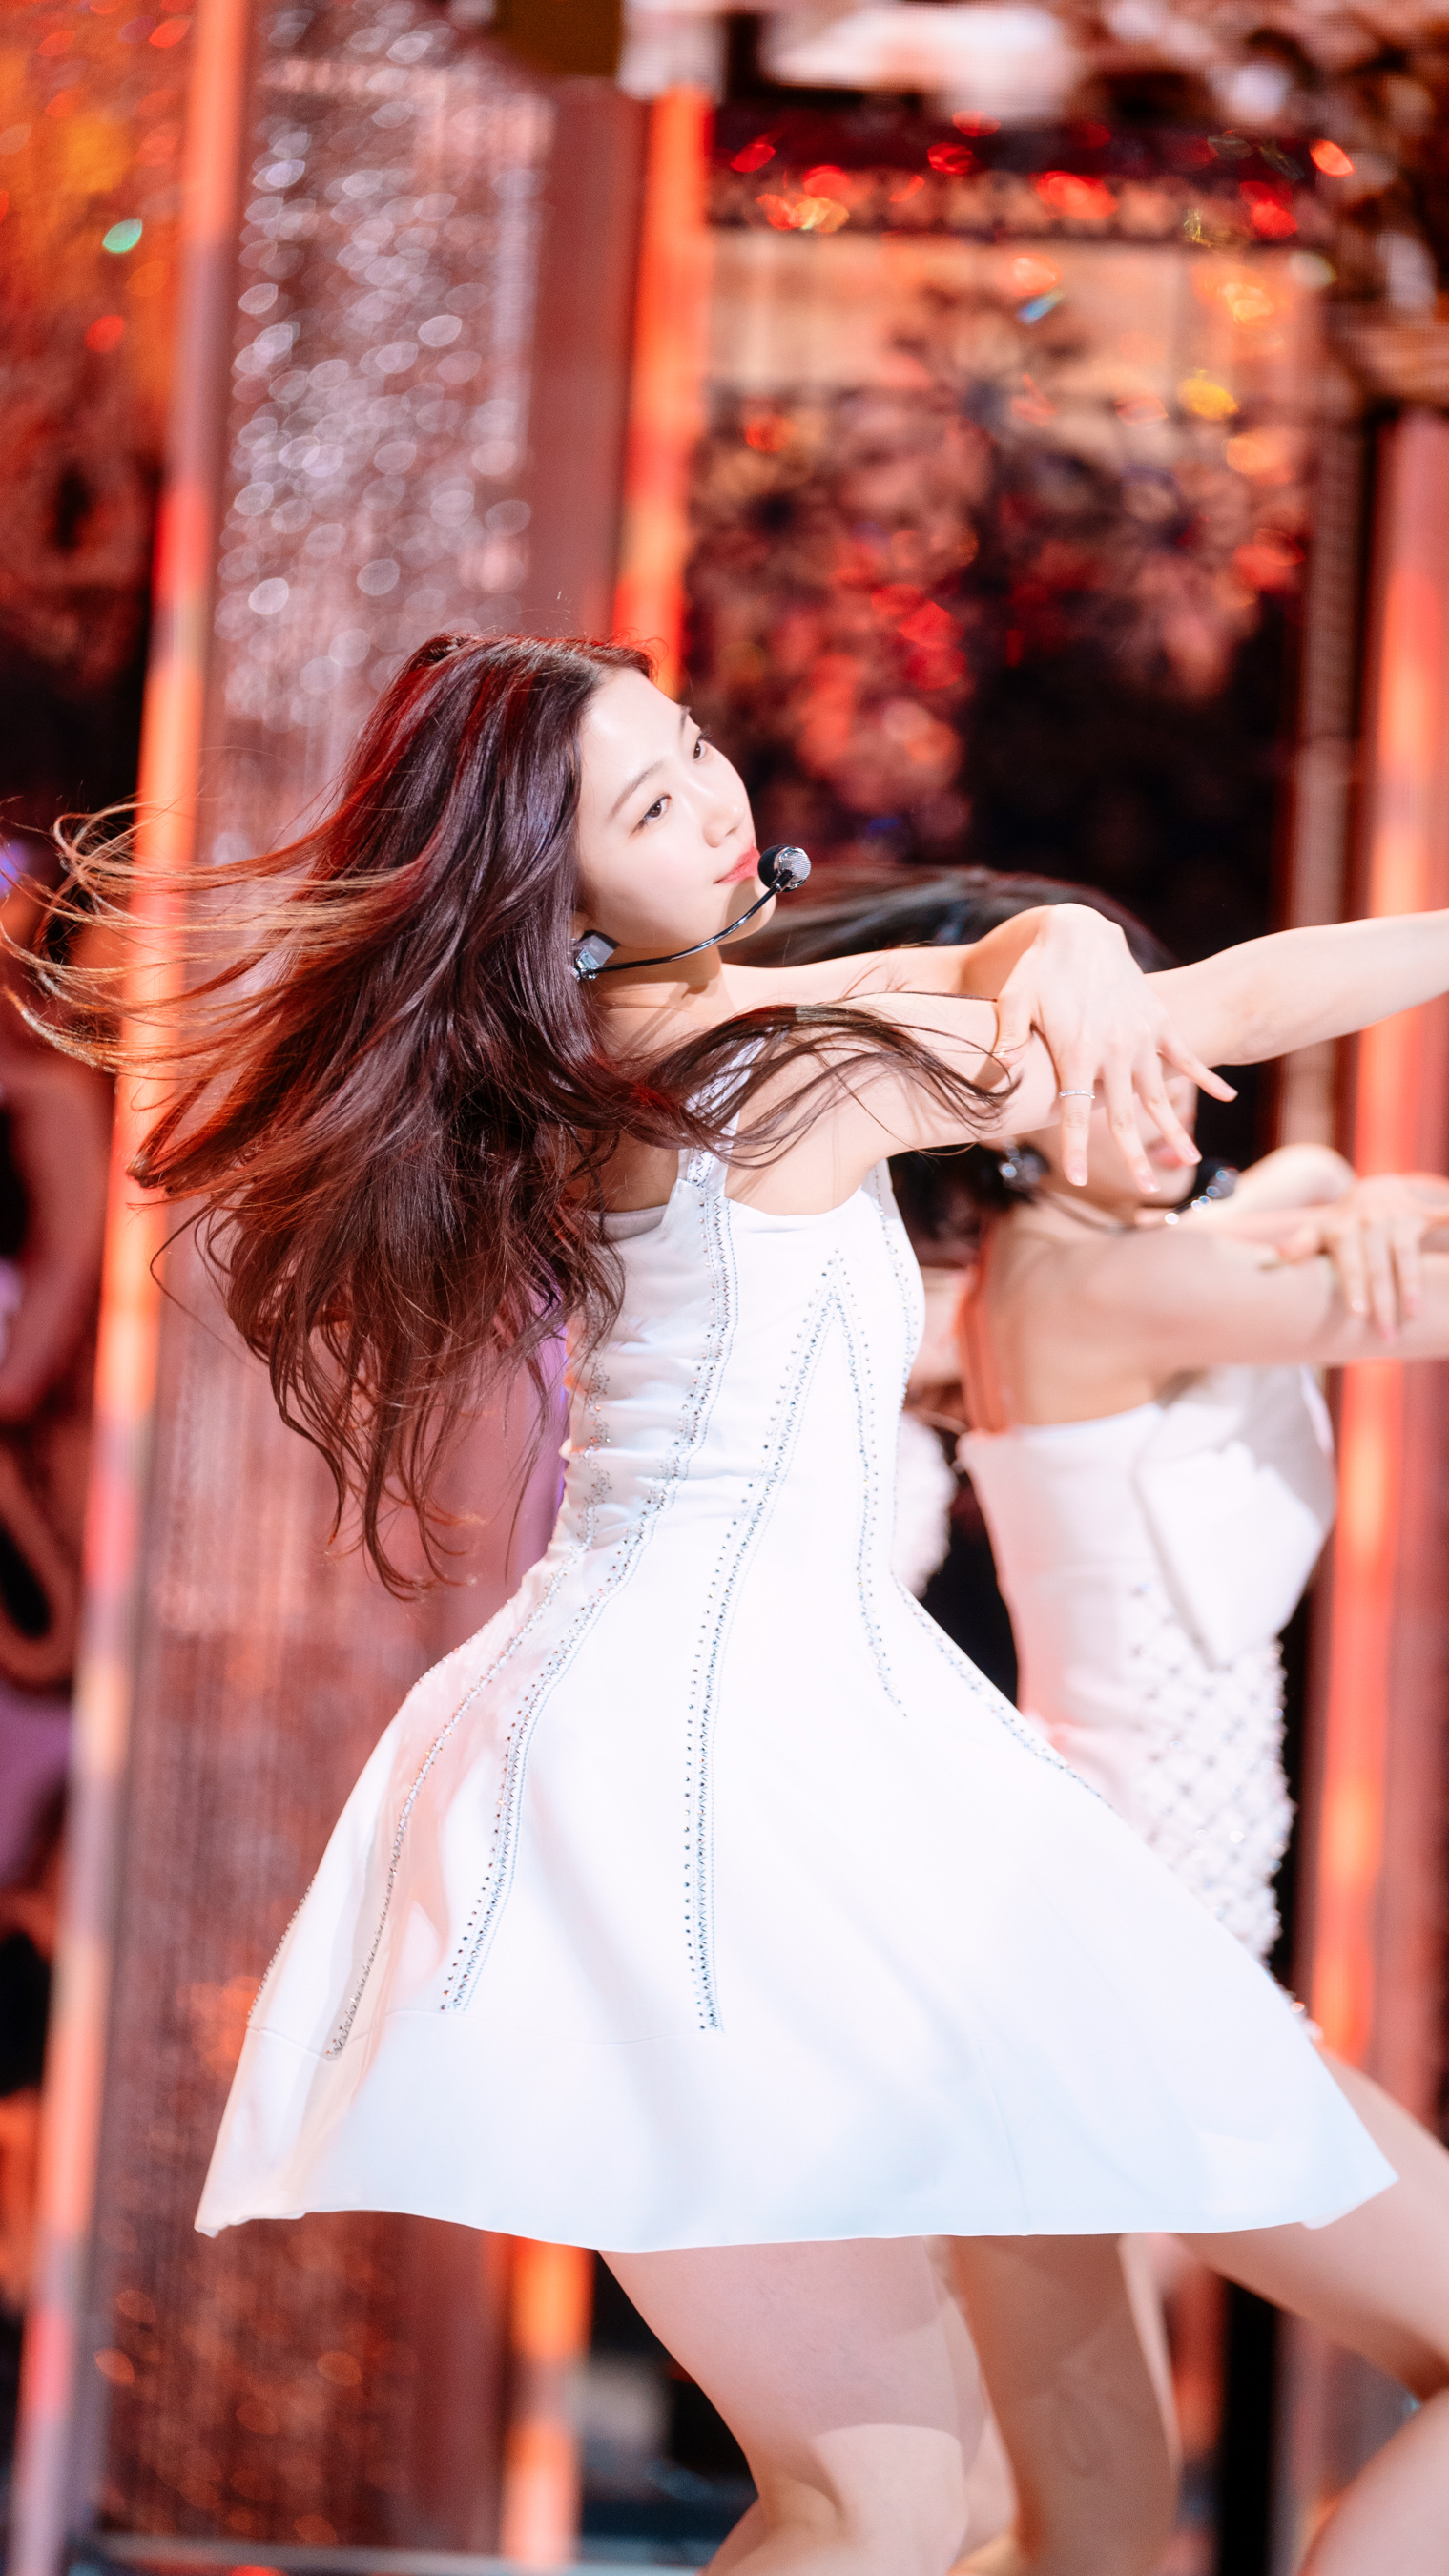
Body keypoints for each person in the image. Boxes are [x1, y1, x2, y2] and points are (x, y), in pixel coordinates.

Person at [30, 637, 1449, 2576]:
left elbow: (996, 988)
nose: (712, 802)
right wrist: (1082, 964)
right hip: (734, 1756)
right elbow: (1202, 1006)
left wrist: (1050, 948)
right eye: (646, 803)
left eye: (693, 749)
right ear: (556, 891)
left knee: (908, 2501)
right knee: (894, 2503)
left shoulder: (675, 1050)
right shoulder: (767, 1072)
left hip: (698, 1731)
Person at [760, 863, 1449, 2573]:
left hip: (1081, 1956)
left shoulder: (1077, 1272)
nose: (1176, 1090)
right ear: (1011, 1105)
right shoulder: (1100, 1290)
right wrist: (1361, 1205)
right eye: (1118, 1051)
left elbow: (1267, 1224)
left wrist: (1333, 1185)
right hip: (1124, 1963)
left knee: (1076, 2543)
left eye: (1182, 1048)